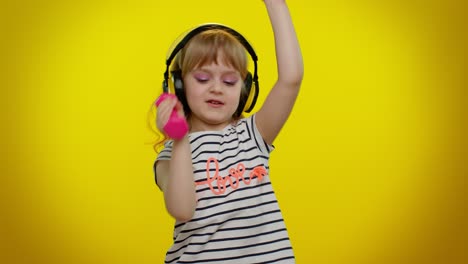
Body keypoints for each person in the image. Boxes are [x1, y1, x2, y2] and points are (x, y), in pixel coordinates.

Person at [151, 0, 303, 263]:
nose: (217, 88)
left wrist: (275, 3)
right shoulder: (170, 155)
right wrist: (180, 140)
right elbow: (182, 209)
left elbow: (291, 78)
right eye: (202, 78)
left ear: (244, 89)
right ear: (178, 85)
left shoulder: (253, 135)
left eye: (230, 81)